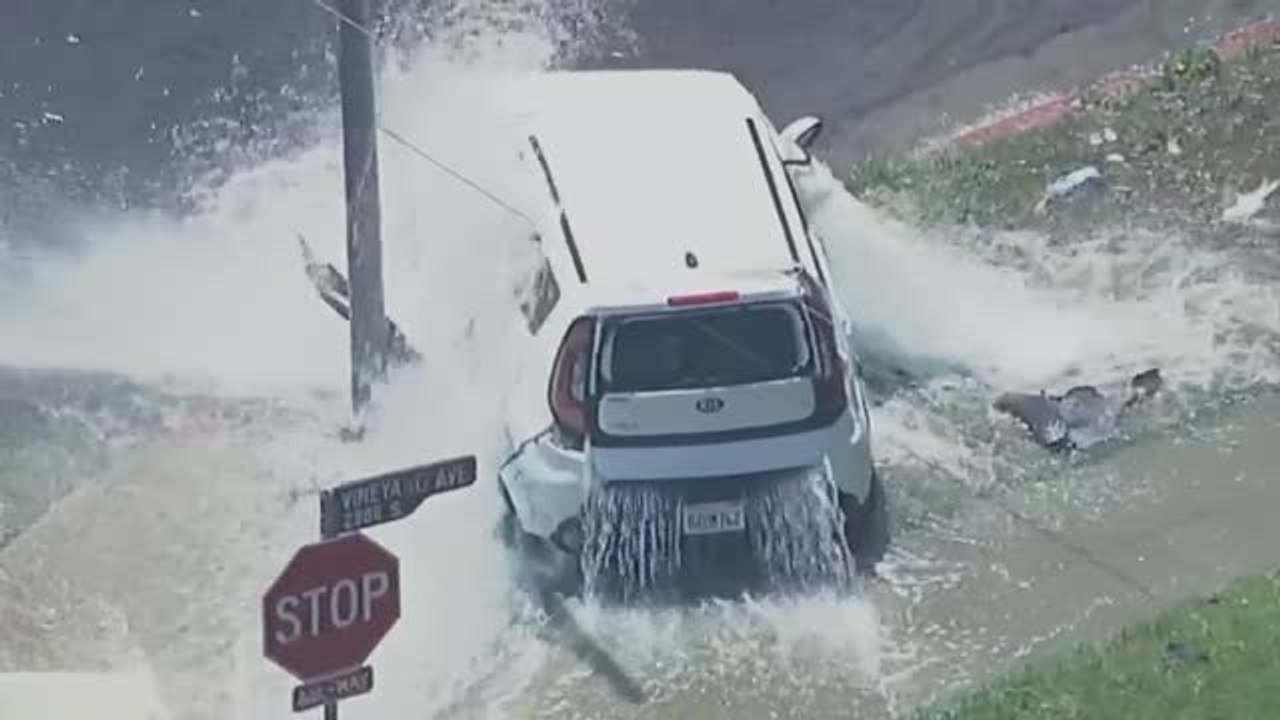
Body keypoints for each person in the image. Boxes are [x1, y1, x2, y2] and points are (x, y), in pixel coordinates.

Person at [993, 368, 1163, 452]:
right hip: (1071, 438)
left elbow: (1007, 399)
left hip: (1061, 435)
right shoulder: (1106, 413)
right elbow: (1138, 390)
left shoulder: (1102, 413)